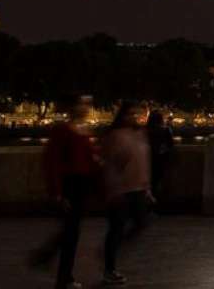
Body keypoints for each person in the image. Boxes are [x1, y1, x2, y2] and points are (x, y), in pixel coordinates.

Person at [30, 94, 98, 289]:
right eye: (82, 103)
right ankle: (61, 275)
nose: (86, 107)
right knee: (70, 233)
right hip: (70, 186)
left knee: (70, 232)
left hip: (81, 187)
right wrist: (57, 192)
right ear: (73, 106)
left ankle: (50, 261)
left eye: (88, 103)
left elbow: (89, 160)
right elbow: (52, 162)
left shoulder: (84, 130)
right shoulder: (63, 130)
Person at [100, 100, 152, 286]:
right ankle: (109, 268)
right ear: (123, 115)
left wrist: (146, 188)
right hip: (121, 190)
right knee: (116, 230)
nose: (136, 117)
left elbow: (143, 162)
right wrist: (114, 190)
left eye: (138, 114)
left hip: (137, 189)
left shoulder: (139, 134)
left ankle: (110, 253)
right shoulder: (115, 136)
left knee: (140, 223)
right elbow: (111, 166)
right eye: (131, 114)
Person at [145, 110, 175, 207]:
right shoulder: (166, 130)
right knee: (158, 183)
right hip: (160, 160)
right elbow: (170, 145)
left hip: (147, 160)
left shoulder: (144, 131)